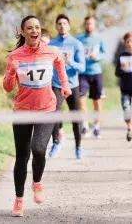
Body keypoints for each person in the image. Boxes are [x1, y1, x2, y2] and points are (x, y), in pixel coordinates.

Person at [3, 15, 71, 217]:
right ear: (22, 32)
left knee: (39, 149)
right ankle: (18, 201)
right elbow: (7, 88)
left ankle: (37, 183)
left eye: (38, 27)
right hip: (23, 111)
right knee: (22, 157)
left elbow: (60, 63)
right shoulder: (15, 56)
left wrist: (65, 85)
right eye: (30, 28)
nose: (35, 31)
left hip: (47, 109)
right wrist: (11, 74)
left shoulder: (51, 51)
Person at [49, 14, 85, 159]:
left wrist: (70, 62)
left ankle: (78, 146)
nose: (62, 26)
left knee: (75, 116)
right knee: (54, 113)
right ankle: (56, 142)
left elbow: (82, 67)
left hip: (72, 84)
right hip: (56, 84)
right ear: (56, 26)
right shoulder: (51, 44)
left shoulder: (76, 44)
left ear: (69, 26)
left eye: (65, 23)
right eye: (59, 23)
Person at [75, 16, 106, 139]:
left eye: (91, 24)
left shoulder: (99, 39)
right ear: (84, 25)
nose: (89, 26)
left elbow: (104, 53)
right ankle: (85, 126)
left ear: (94, 25)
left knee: (97, 101)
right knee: (81, 99)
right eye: (87, 24)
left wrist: (97, 57)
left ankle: (97, 127)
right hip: (82, 73)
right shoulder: (78, 39)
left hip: (96, 73)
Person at [41, 28, 66, 142]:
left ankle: (57, 134)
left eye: (46, 43)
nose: (44, 46)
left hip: (55, 85)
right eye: (42, 42)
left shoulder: (54, 53)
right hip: (42, 88)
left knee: (55, 109)